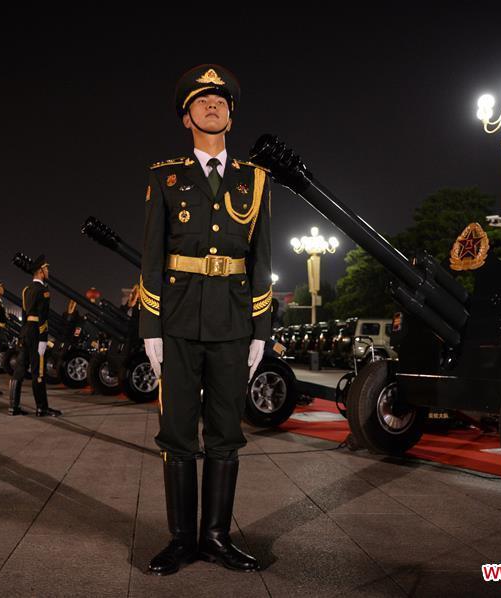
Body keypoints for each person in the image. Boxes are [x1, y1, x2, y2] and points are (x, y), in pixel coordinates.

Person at [140, 64, 272, 575]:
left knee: (224, 432)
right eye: (202, 101)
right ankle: (180, 541)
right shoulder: (164, 176)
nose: (212, 106)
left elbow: (262, 259)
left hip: (234, 323)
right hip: (175, 321)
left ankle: (215, 537)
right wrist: (150, 328)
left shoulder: (256, 181)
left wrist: (261, 330)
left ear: (231, 116)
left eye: (220, 100)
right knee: (176, 432)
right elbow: (152, 257)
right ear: (186, 117)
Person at [8, 255, 62, 417]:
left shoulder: (26, 290)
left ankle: (13, 406)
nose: (48, 271)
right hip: (37, 333)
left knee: (19, 368)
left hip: (26, 332)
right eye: (46, 269)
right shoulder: (43, 291)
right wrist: (43, 338)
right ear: (40, 271)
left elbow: (25, 315)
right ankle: (41, 407)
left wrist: (23, 333)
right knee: (38, 372)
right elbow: (43, 316)